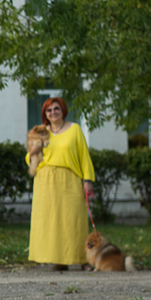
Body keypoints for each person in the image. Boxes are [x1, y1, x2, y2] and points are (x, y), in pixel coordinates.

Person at [26, 97, 95, 271]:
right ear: (45, 114)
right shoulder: (41, 131)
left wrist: (87, 180)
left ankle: (82, 259)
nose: (53, 112)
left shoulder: (75, 129)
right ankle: (60, 260)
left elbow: (84, 156)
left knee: (74, 220)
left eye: (56, 109)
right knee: (52, 222)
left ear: (63, 110)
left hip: (69, 179)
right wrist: (32, 152)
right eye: (49, 110)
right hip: (44, 182)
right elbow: (30, 159)